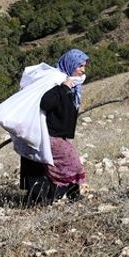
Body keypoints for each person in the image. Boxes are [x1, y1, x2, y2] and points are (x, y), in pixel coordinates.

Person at [20, 48, 89, 203]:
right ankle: (72, 199)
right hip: (49, 135)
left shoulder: (73, 85)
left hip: (59, 135)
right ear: (70, 64)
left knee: (52, 169)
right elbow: (46, 103)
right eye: (80, 66)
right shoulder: (56, 81)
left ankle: (60, 199)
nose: (82, 70)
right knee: (73, 166)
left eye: (84, 66)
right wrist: (64, 87)